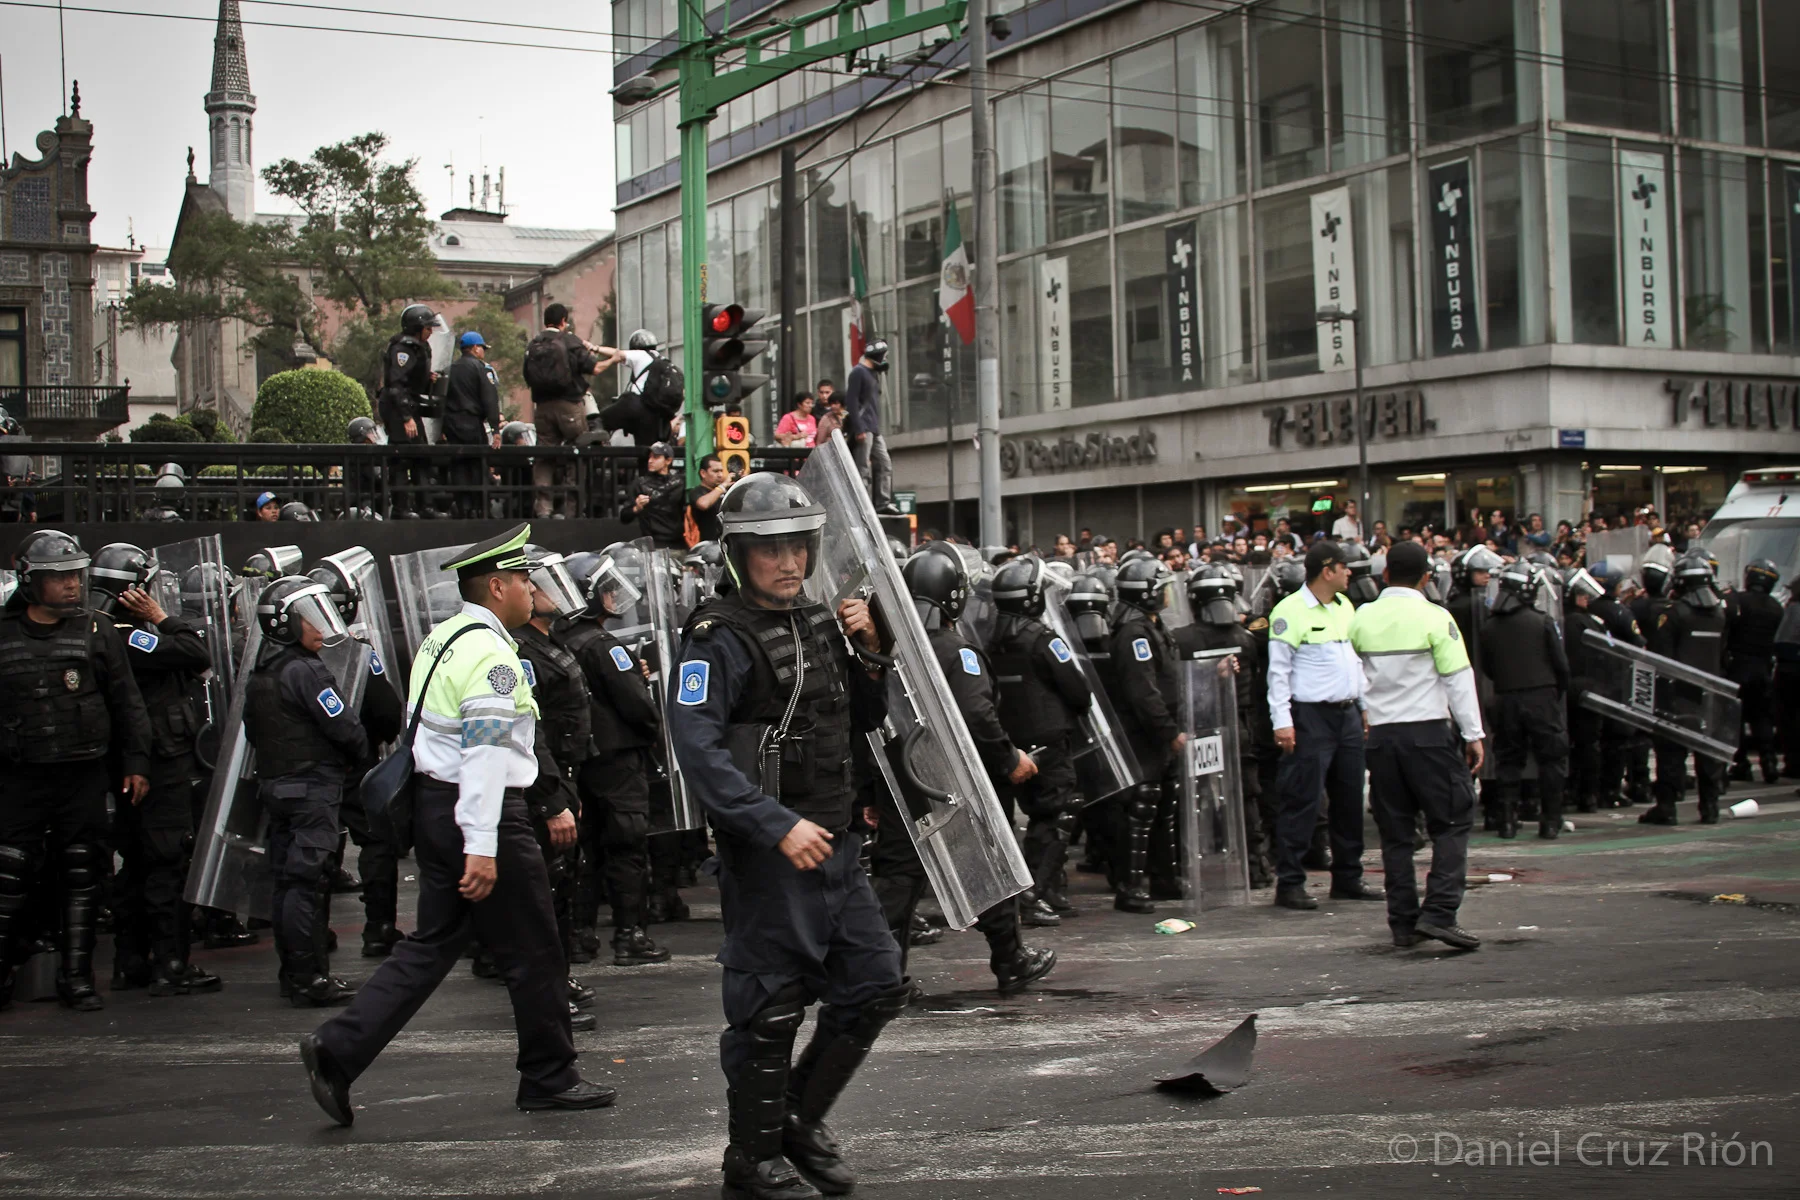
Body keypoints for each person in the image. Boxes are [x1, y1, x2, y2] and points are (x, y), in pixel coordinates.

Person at [301, 524, 617, 1125]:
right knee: (537, 949)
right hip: (485, 813)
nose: (532, 587)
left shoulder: (443, 638)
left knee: (431, 946)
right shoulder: (493, 653)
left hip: (436, 808)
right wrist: (483, 844)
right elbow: (488, 754)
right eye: (523, 578)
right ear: (497, 586)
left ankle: (338, 1050)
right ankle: (550, 1077)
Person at [666, 473, 906, 1200]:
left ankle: (797, 1119)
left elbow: (860, 720)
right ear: (740, 554)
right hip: (770, 854)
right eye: (771, 549)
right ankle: (752, 1159)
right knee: (769, 1009)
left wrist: (873, 651)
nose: (789, 562)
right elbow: (697, 750)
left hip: (834, 844)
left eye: (799, 546)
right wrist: (774, 825)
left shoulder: (817, 621)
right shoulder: (717, 638)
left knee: (875, 985)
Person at [872, 544, 1057, 992]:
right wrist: (1009, 758)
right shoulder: (958, 652)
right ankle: (1010, 959)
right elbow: (978, 716)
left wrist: (871, 792)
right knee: (989, 863)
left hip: (903, 782)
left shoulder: (889, 651)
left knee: (898, 881)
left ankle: (883, 981)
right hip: (952, 784)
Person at [0, 531, 152, 1011]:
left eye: (75, 576)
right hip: (20, 774)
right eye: (59, 577)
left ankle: (77, 976)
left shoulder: (95, 629)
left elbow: (126, 702)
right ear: (32, 581)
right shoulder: (4, 632)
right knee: (8, 873)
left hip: (82, 772)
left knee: (83, 871)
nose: (71, 586)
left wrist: (134, 763)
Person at [90, 544, 224, 998]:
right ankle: (170, 963)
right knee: (166, 861)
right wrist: (161, 615)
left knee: (137, 865)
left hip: (134, 764)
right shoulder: (127, 635)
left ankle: (132, 961)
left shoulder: (101, 630)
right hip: (157, 765)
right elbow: (193, 649)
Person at [1348, 541, 1486, 950]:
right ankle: (1440, 912)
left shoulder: (1362, 617)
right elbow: (1458, 680)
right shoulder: (1435, 616)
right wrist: (1473, 734)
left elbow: (1351, 675)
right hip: (1428, 734)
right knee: (1453, 820)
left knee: (1396, 834)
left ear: (1384, 574)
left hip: (1382, 737)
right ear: (1427, 577)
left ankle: (1404, 923)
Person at [242, 576, 370, 1007]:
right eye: (310, 618)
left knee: (288, 883)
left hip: (278, 786)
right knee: (306, 884)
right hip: (311, 788)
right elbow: (345, 728)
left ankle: (295, 972)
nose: (322, 627)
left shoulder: (266, 671)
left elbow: (252, 729)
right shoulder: (306, 671)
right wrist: (356, 754)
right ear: (286, 625)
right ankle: (307, 978)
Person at [558, 550, 671, 967]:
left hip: (581, 761)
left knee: (584, 850)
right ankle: (630, 935)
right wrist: (651, 732)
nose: (613, 596)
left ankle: (581, 934)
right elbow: (637, 706)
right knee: (626, 846)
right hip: (618, 762)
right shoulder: (604, 645)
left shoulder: (560, 641)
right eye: (606, 589)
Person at [508, 552, 599, 1031]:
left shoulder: (551, 640)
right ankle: (547, 994)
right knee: (542, 894)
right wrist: (551, 799)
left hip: (565, 774)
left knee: (560, 886)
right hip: (543, 783)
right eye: (537, 583)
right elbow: (529, 732)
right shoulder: (521, 650)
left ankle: (556, 979)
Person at [1265, 540, 1380, 910]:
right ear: (1327, 570)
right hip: (1309, 717)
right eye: (1344, 567)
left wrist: (1362, 705)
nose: (1350, 573)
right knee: (1303, 800)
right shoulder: (1290, 611)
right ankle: (1291, 882)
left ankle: (1348, 877)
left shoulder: (1346, 607)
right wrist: (1282, 722)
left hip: (1346, 714)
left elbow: (1355, 662)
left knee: (1348, 800)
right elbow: (1278, 674)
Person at [989, 555, 1092, 923]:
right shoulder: (1043, 639)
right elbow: (1078, 691)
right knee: (1057, 813)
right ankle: (1032, 895)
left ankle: (1046, 890)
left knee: (1034, 817)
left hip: (1011, 744)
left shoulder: (990, 638)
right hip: (1049, 742)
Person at [1175, 565, 1274, 888]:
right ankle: (1256, 867)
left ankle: (1187, 866)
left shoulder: (1182, 640)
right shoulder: (1245, 639)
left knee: (1191, 796)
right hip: (1240, 729)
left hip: (1199, 727)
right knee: (1246, 795)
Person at [1107, 556, 1185, 912]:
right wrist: (1168, 731)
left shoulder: (1153, 627)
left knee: (1164, 808)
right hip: (1142, 737)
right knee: (1141, 808)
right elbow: (1144, 692)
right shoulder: (1133, 633)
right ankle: (1131, 886)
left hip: (1161, 736)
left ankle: (1164, 878)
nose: (1169, 593)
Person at [1482, 562, 1571, 840]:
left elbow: (1488, 666)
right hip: (1541, 696)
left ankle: (1507, 821)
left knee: (1508, 760)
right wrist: (1555, 692)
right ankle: (1551, 821)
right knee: (1551, 759)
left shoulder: (1489, 626)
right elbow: (1561, 665)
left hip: (1506, 696)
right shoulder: (1543, 621)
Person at [1639, 553, 1729, 825]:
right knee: (1708, 752)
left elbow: (1660, 655)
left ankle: (1667, 806)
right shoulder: (1719, 615)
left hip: (1677, 693)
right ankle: (1710, 806)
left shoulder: (1674, 613)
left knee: (1670, 752)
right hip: (1710, 692)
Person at [524, 303, 623, 518]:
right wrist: (614, 359)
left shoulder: (534, 344)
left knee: (544, 455)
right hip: (569, 405)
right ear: (563, 321)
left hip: (541, 408)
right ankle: (572, 510)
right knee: (578, 450)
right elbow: (595, 368)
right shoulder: (569, 341)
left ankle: (543, 508)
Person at [377, 304, 438, 518]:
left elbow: (412, 381)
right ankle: (402, 508)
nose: (430, 332)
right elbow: (396, 385)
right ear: (416, 327)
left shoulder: (419, 347)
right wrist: (406, 417)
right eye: (427, 327)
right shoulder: (402, 349)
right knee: (401, 456)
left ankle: (426, 506)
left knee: (421, 455)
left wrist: (426, 378)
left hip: (409, 404)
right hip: (398, 408)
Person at [1725, 559, 1783, 784]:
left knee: (1734, 718)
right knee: (1762, 718)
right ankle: (1769, 761)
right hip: (1762, 669)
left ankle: (1741, 763)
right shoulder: (1776, 608)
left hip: (1738, 667)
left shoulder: (1738, 600)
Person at [443, 332, 502, 515]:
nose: (483, 352)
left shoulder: (449, 369)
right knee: (477, 465)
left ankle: (463, 508)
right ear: (475, 348)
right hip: (472, 423)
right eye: (482, 348)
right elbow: (490, 400)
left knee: (459, 466)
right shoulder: (482, 368)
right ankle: (480, 508)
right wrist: (495, 429)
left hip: (452, 424)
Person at [842, 341, 896, 513]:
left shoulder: (873, 374)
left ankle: (883, 503)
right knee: (863, 467)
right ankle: (862, 505)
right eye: (884, 355)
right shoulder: (858, 372)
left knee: (884, 463)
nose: (886, 359)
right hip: (864, 427)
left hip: (874, 427)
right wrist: (859, 428)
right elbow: (851, 401)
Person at [619, 441, 688, 549]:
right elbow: (624, 516)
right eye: (649, 457)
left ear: (668, 461)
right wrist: (637, 508)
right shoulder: (640, 483)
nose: (650, 461)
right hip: (653, 545)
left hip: (679, 544)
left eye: (656, 457)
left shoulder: (680, 482)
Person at [688, 453, 731, 544]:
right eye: (715, 471)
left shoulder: (726, 491)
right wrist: (722, 487)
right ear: (703, 473)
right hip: (706, 545)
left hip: (725, 544)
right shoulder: (696, 492)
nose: (720, 475)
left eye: (721, 471)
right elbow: (703, 504)